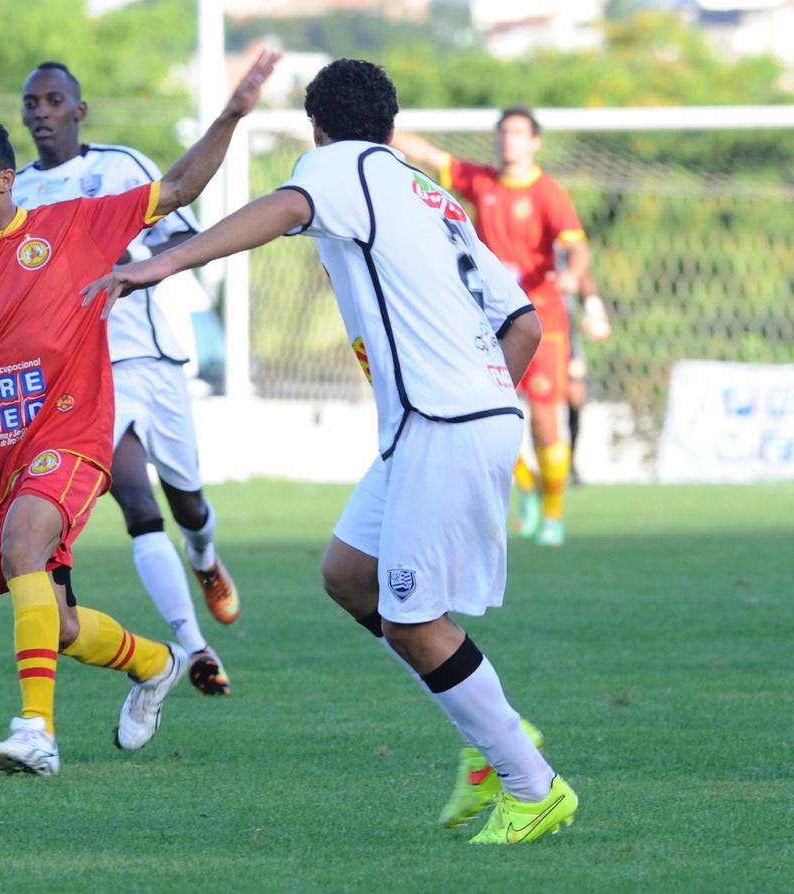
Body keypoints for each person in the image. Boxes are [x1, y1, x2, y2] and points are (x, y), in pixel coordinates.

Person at [82, 58, 577, 843]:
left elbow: (284, 207)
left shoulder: (341, 167)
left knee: (417, 622)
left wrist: (163, 263)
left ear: (318, 128)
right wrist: (484, 403)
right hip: (449, 419)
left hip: (444, 424)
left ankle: (530, 782)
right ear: (390, 120)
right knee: (350, 576)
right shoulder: (430, 194)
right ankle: (496, 740)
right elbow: (525, 324)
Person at [0, 50, 278, 777]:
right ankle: (156, 663)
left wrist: (233, 115)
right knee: (53, 626)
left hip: (75, 432)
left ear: (4, 180)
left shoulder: (76, 227)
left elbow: (179, 186)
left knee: (28, 543)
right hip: (5, 456)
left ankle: (35, 732)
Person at [11, 61, 237, 698]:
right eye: (32, 103)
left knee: (187, 502)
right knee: (138, 505)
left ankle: (205, 558)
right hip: (82, 375)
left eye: (54, 100)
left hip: (153, 359)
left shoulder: (122, 167)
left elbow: (182, 239)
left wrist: (123, 256)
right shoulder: (18, 193)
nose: (41, 112)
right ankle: (195, 648)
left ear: (78, 111)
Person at [392, 108, 589, 546]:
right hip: (488, 318)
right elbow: (428, 154)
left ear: (534, 142)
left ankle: (554, 509)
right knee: (489, 416)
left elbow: (577, 246)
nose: (509, 140)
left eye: (518, 133)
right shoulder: (482, 183)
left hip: (542, 321)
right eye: (504, 133)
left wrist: (574, 275)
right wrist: (380, 128)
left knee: (543, 423)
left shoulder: (549, 193)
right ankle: (526, 488)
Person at [565, 269, 611, 485]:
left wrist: (594, 308)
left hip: (564, 335)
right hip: (524, 324)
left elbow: (582, 272)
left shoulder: (563, 246)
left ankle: (570, 462)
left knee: (576, 395)